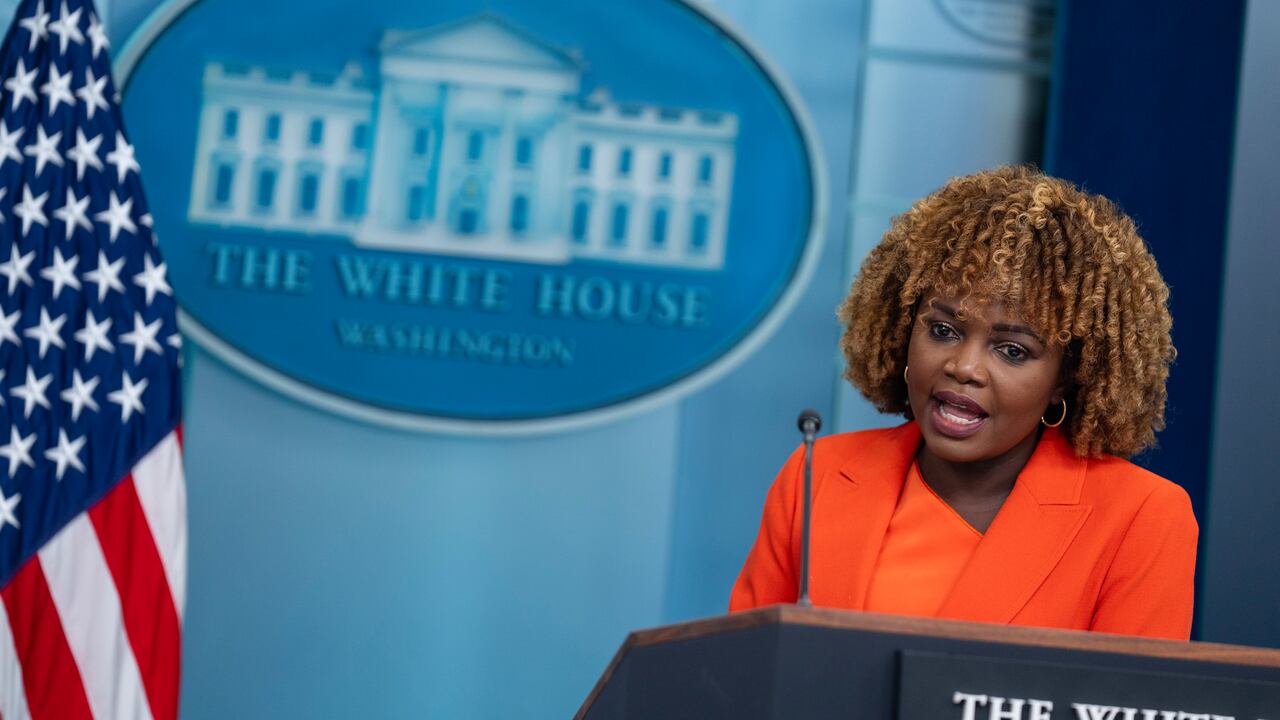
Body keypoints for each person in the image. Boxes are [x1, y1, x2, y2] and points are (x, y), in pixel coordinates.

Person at [730, 166, 1197, 640]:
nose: (964, 366)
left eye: (1012, 350)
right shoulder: (819, 475)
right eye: (943, 331)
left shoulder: (1141, 518)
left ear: (1065, 379)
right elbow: (740, 676)